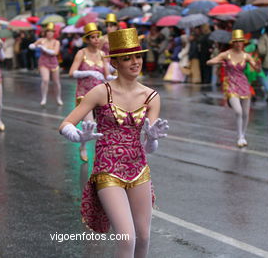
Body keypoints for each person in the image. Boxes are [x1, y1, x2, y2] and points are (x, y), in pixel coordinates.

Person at [59, 28, 168, 257]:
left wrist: (153, 139)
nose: (135, 62)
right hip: (107, 170)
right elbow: (66, 124)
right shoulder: (100, 92)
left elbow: (149, 147)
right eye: (127, 58)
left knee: (144, 236)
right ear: (115, 63)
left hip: (139, 169)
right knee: (126, 238)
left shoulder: (151, 97)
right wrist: (79, 136)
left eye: (138, 56)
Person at [207, 30, 259, 148]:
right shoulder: (227, 54)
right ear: (233, 43)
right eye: (236, 42)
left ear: (243, 43)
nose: (238, 44)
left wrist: (258, 67)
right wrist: (216, 62)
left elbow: (256, 69)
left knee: (246, 113)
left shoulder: (246, 55)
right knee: (238, 111)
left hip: (244, 84)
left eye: (240, 42)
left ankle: (242, 136)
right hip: (230, 84)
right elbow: (209, 61)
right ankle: (239, 135)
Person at [69, 22, 110, 162]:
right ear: (87, 39)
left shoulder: (103, 54)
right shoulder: (81, 53)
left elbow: (107, 76)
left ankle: (103, 153)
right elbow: (72, 72)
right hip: (85, 95)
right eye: (93, 37)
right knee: (90, 126)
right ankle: (83, 146)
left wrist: (119, 77)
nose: (96, 39)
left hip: (100, 95)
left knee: (106, 125)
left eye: (98, 36)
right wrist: (89, 72)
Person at [29, 22, 63, 106]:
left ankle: (58, 97)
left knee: (56, 81)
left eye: (51, 31)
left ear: (54, 33)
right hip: (43, 61)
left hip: (53, 62)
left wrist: (43, 48)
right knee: (45, 80)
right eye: (48, 31)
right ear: (45, 32)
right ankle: (44, 98)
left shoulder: (56, 42)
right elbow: (31, 46)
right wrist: (33, 46)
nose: (49, 33)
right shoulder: (41, 40)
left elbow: (55, 52)